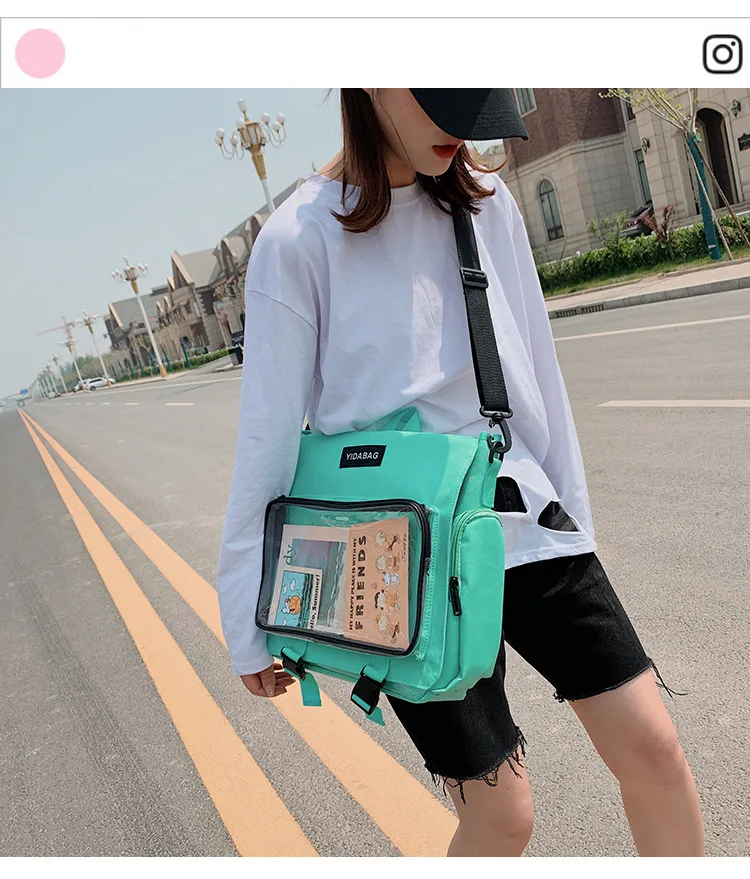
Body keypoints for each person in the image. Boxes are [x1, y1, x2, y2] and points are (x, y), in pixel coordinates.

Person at [216, 89, 704, 857]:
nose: (461, 131)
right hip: (402, 561)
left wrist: (574, 518)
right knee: (502, 815)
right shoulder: (298, 240)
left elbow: (537, 374)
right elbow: (268, 440)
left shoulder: (483, 202)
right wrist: (248, 613)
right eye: (445, 100)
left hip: (520, 515)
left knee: (654, 748)